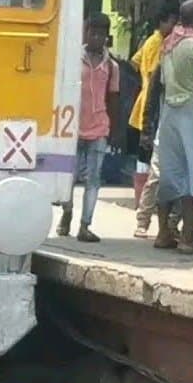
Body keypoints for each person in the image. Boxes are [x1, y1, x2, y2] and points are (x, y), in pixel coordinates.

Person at [142, 0, 193, 252]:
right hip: (192, 114)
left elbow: (159, 83)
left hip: (169, 114)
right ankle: (187, 236)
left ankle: (163, 232)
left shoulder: (168, 45)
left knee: (170, 174)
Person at [58, 12, 122, 242]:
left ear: (106, 36)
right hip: (72, 126)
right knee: (70, 177)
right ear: (86, 33)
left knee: (93, 180)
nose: (96, 38)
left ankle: (85, 225)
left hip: (99, 127)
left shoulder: (112, 66)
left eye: (101, 34)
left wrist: (114, 130)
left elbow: (113, 98)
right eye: (93, 33)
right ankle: (67, 212)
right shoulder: (73, 58)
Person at [131, 4, 179, 238]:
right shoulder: (156, 44)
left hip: (165, 121)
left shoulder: (158, 45)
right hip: (155, 118)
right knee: (154, 173)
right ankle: (143, 219)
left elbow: (134, 61)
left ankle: (165, 223)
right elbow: (149, 78)